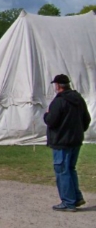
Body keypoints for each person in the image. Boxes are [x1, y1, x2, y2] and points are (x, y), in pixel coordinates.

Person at [44, 74, 91, 212]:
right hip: (75, 140)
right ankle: (76, 197)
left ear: (58, 85)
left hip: (61, 141)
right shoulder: (78, 99)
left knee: (62, 170)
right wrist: (78, 131)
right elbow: (86, 119)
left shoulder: (59, 101)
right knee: (70, 169)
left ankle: (68, 201)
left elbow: (52, 120)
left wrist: (46, 115)